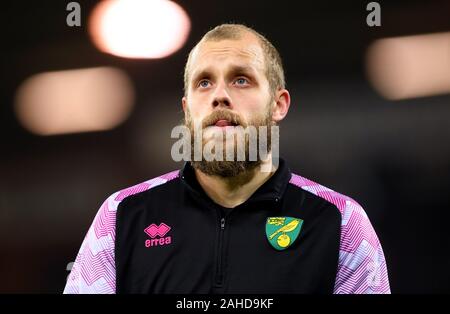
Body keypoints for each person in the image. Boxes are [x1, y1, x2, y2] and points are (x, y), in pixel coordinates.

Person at [64, 24, 390, 294]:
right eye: (204, 82)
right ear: (187, 108)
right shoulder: (120, 217)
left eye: (241, 79)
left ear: (278, 104)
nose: (220, 95)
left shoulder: (342, 222)